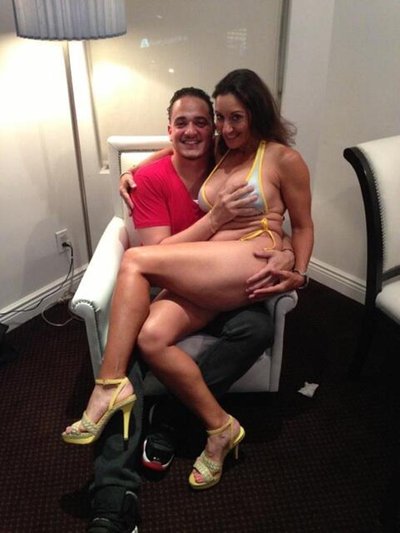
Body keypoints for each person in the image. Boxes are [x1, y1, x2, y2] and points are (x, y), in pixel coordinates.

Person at [64, 69, 312, 530]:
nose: (221, 128)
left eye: (230, 118)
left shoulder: (278, 157)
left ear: (254, 114)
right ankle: (220, 426)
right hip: (207, 271)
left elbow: (303, 223)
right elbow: (178, 146)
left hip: (248, 260)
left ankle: (113, 386)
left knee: (139, 263)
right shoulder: (218, 152)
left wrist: (298, 270)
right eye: (220, 119)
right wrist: (131, 170)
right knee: (149, 337)